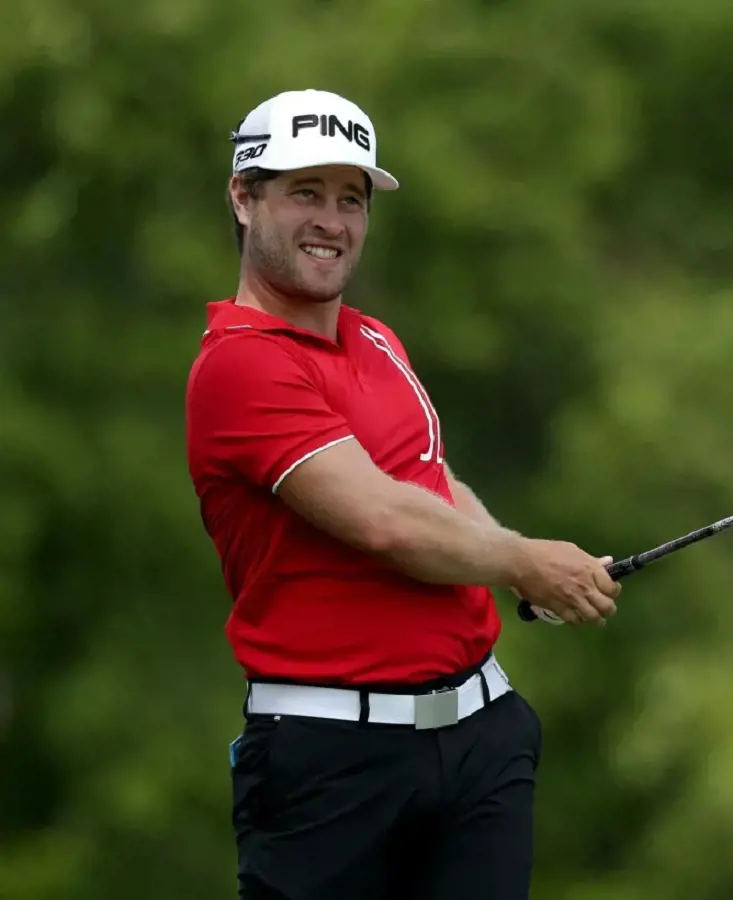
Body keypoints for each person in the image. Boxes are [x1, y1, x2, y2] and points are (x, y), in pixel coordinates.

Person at [185, 88, 621, 900]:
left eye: (350, 200)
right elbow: (382, 522)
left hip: (480, 740)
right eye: (304, 193)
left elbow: (428, 485)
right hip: (331, 762)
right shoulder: (240, 365)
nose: (333, 221)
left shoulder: (376, 339)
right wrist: (524, 563)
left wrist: (523, 562)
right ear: (244, 198)